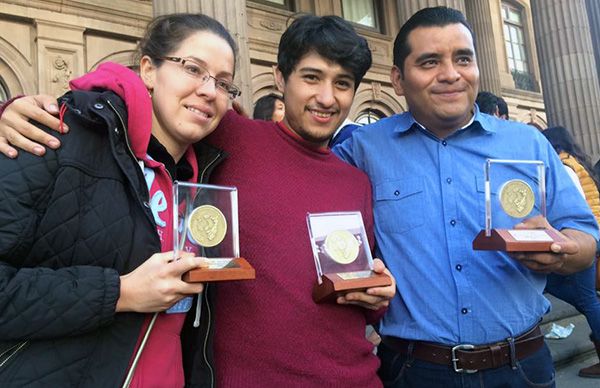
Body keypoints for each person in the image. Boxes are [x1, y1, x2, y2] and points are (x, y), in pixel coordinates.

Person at [0, 15, 396, 387]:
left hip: (352, 376)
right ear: (280, 77)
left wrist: (376, 292)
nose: (326, 97)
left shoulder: (354, 180)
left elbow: (358, 282)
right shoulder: (227, 138)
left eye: (342, 83)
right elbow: (124, 99)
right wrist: (16, 112)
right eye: (311, 77)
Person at [333, 6, 598, 387]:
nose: (451, 74)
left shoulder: (528, 143)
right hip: (414, 371)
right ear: (398, 79)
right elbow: (304, 177)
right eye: (429, 62)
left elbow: (586, 237)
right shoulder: (363, 150)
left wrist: (564, 249)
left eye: (463, 59)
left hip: (522, 367)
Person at [0, 13, 241, 387]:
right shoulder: (56, 136)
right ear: (148, 69)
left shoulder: (207, 174)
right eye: (193, 68)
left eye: (224, 84)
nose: (209, 90)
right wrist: (120, 293)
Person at [542, 125, 600, 379]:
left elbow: (574, 212)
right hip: (591, 236)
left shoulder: (564, 168)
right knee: (586, 298)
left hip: (583, 239)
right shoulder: (576, 163)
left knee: (587, 299)